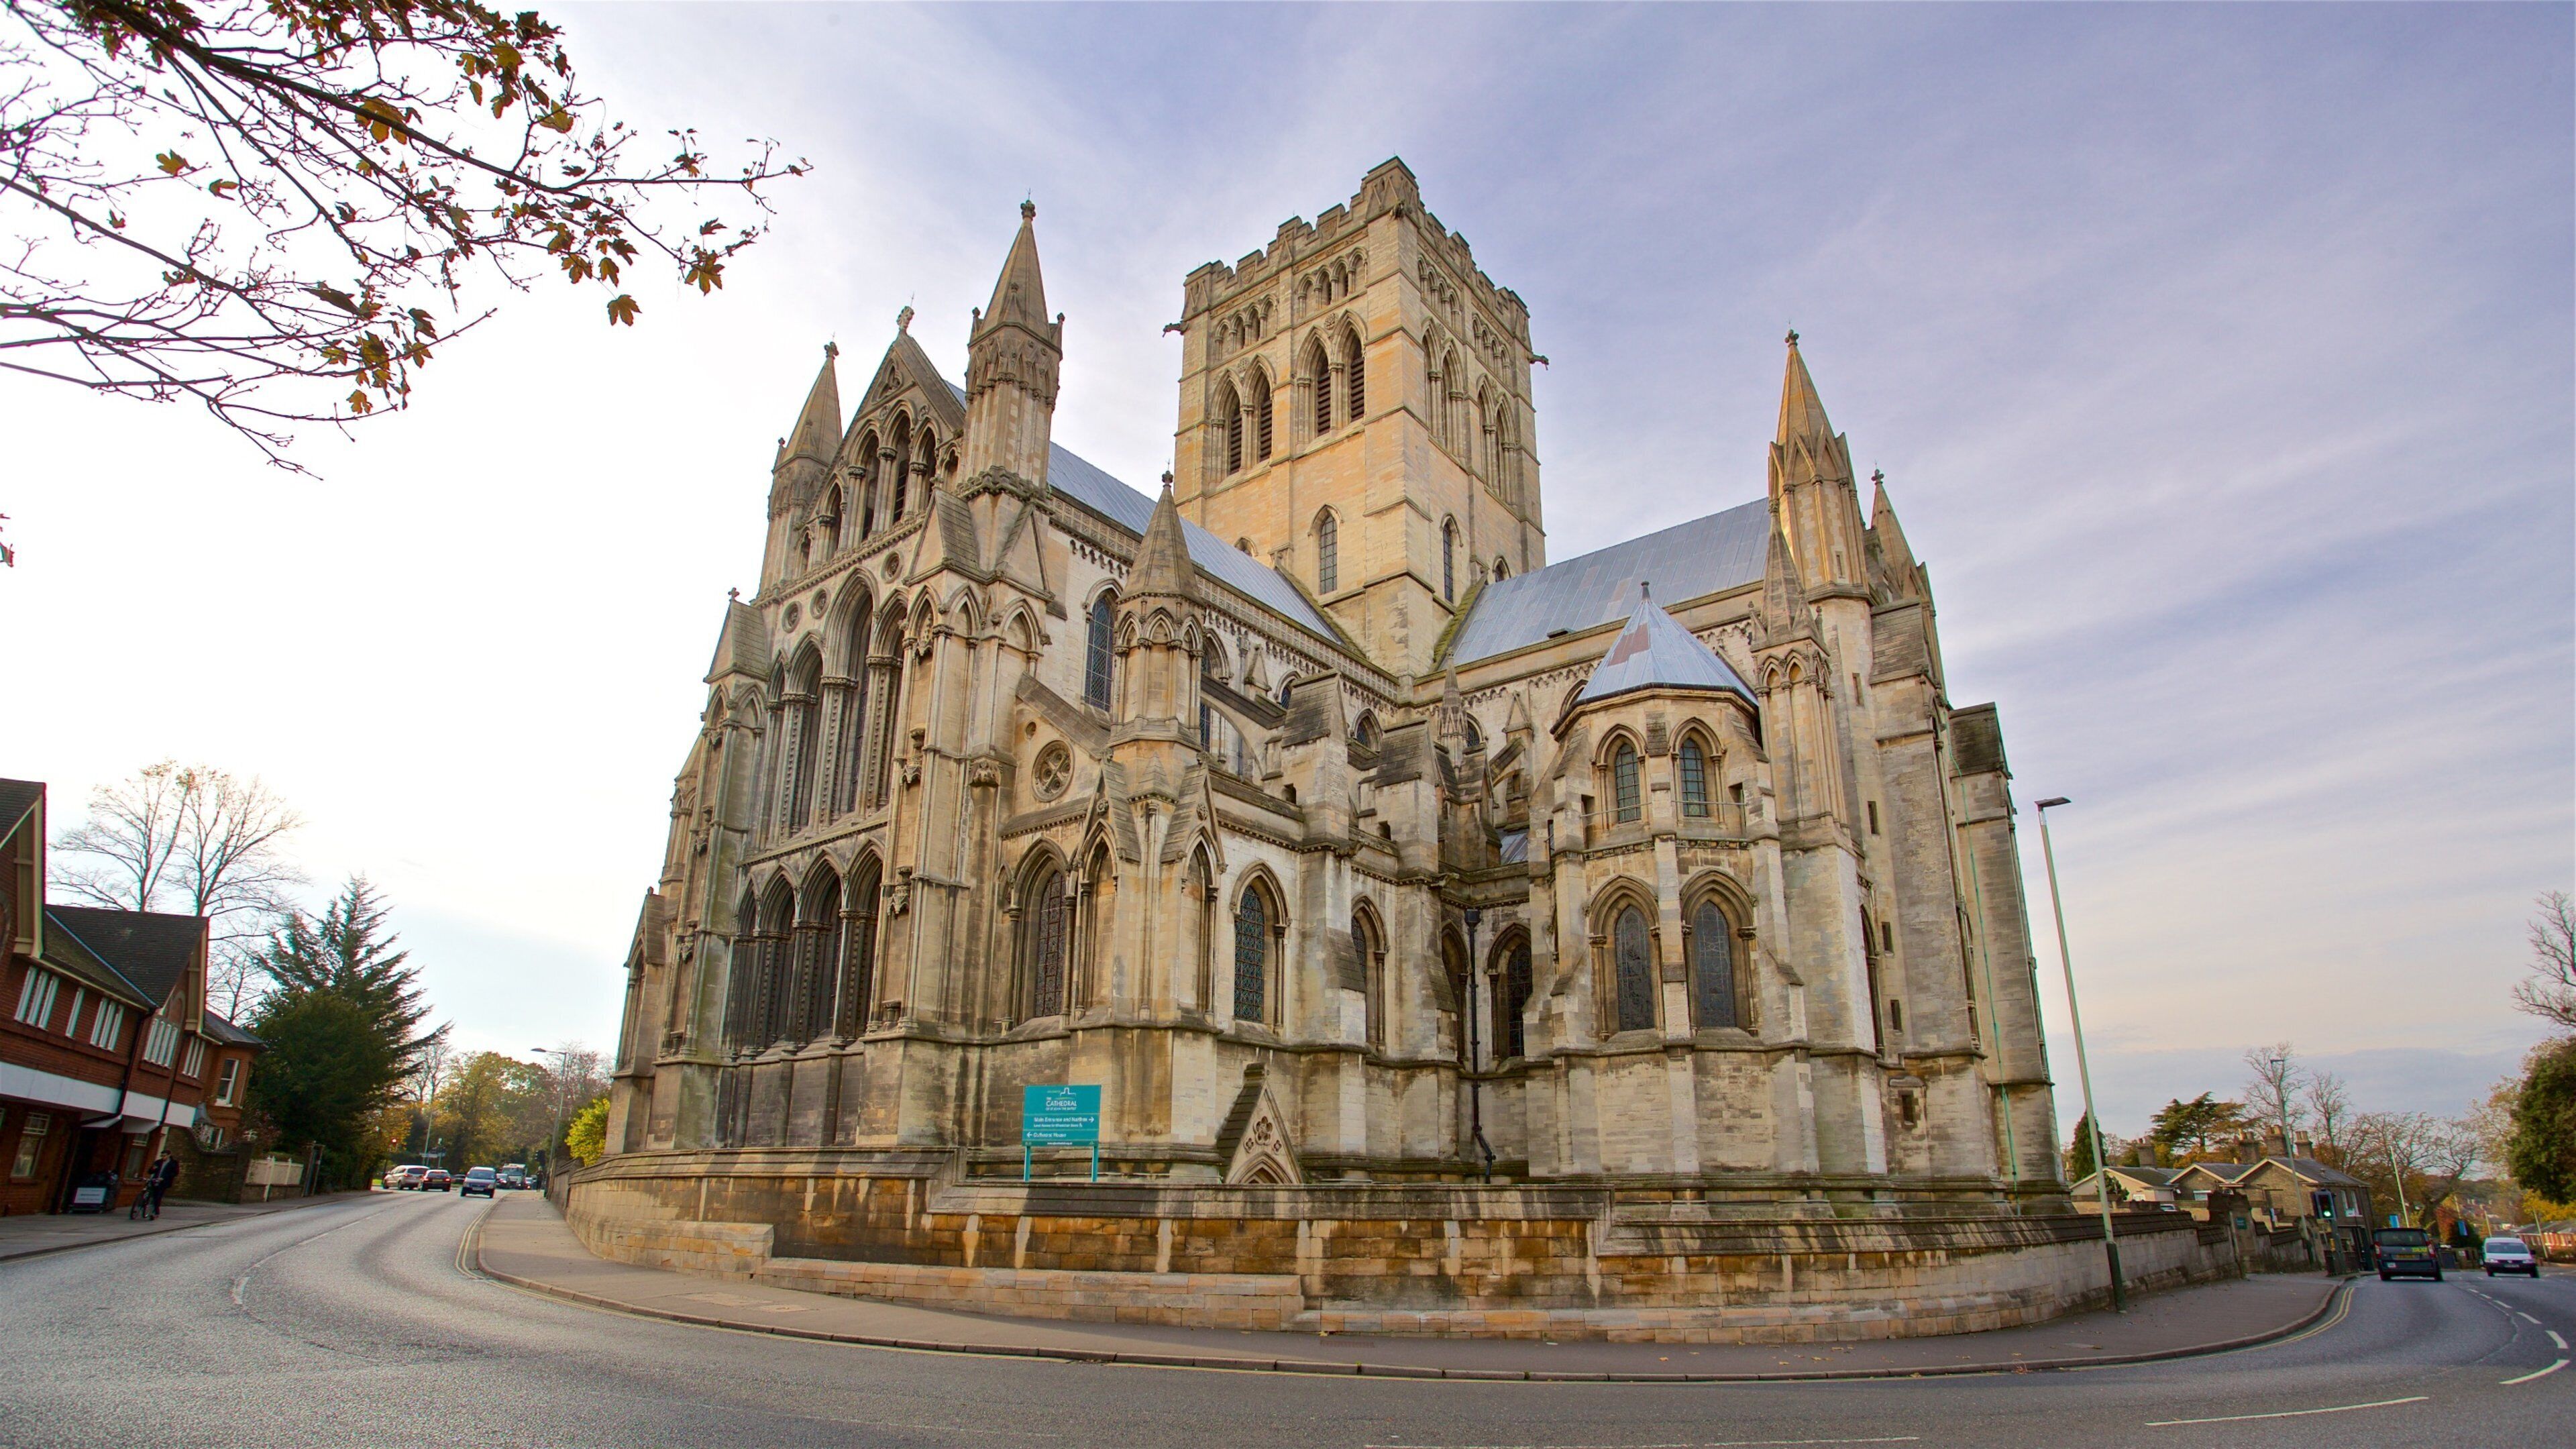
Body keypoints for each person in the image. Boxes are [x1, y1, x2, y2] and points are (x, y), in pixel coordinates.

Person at [140, 1150, 178, 1220]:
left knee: (158, 1197)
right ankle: (147, 1206)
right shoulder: (158, 1162)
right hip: (155, 1181)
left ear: (169, 1155)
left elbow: (175, 1173)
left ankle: (156, 1213)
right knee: (152, 1195)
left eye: (165, 1156)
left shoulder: (173, 1163)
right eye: (162, 1156)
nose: (163, 1157)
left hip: (164, 1183)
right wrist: (153, 1169)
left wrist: (164, 1178)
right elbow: (150, 1171)